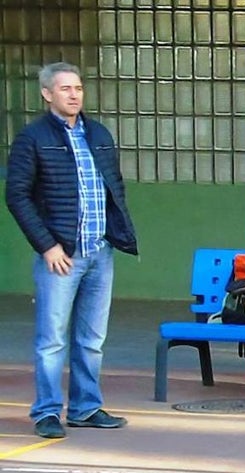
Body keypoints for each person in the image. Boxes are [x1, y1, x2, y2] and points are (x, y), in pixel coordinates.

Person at [5, 62, 138, 440]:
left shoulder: (98, 133)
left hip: (100, 252)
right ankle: (46, 412)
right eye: (65, 89)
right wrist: (47, 245)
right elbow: (16, 196)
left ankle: (85, 407)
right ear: (47, 94)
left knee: (91, 339)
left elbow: (114, 187)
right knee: (52, 339)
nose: (74, 94)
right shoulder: (32, 137)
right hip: (60, 256)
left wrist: (117, 234)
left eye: (78, 87)